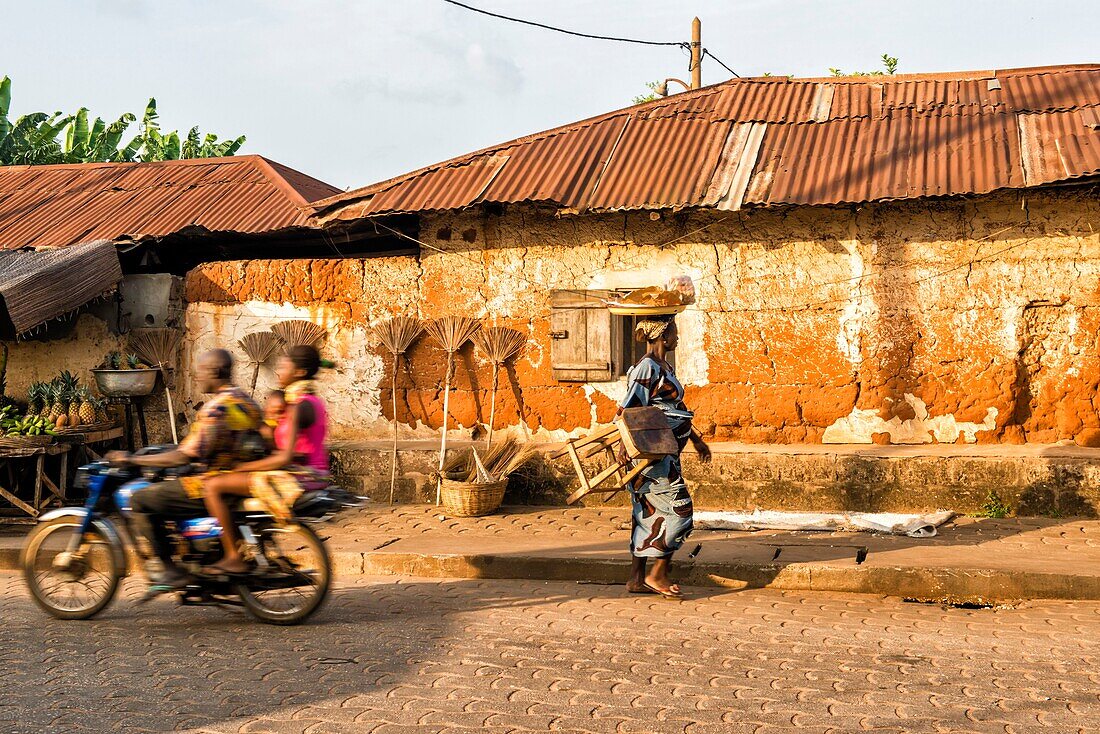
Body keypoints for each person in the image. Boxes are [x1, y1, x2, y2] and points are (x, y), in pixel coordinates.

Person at [108, 349, 265, 593]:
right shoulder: (246, 401)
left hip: (211, 483)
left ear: (214, 371)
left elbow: (185, 454)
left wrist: (133, 460)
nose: (198, 378)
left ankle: (168, 568)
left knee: (141, 499)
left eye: (200, 372)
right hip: (241, 479)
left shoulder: (216, 410)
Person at [201, 345, 330, 575]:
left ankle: (232, 556)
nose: (279, 371)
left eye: (283, 366)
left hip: (299, 477)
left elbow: (285, 457)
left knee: (213, 485)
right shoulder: (312, 401)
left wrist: (242, 466)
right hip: (312, 474)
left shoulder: (298, 406)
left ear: (299, 372)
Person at [618, 316, 711, 600]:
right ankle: (658, 573)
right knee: (682, 512)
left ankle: (636, 579)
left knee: (646, 514)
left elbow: (676, 407)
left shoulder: (664, 366)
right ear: (662, 335)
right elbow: (629, 408)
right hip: (651, 458)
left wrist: (696, 440)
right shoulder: (646, 367)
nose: (678, 337)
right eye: (674, 332)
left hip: (666, 452)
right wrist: (625, 446)